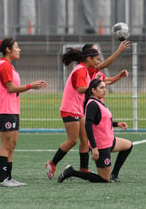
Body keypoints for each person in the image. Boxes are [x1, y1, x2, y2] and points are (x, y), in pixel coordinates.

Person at [46, 41, 130, 180]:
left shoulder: (89, 69)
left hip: (79, 109)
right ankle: (52, 163)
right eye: (97, 58)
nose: (99, 61)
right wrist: (119, 50)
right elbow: (80, 89)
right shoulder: (80, 70)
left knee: (85, 140)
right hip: (69, 109)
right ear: (89, 58)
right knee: (73, 140)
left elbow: (104, 81)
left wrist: (118, 77)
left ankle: (84, 168)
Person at [0, 38, 47, 187]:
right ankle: (3, 179)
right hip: (5, 110)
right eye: (16, 47)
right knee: (6, 144)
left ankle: (9, 177)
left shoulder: (9, 66)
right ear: (8, 50)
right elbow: (10, 88)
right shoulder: (4, 65)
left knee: (12, 144)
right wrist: (31, 86)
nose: (19, 49)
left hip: (12, 109)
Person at [57, 78, 133, 183]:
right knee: (103, 179)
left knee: (128, 145)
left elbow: (102, 120)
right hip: (101, 144)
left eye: (105, 88)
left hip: (110, 140)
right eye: (101, 88)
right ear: (93, 90)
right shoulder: (92, 104)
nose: (104, 90)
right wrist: (94, 147)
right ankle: (71, 172)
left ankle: (114, 175)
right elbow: (88, 126)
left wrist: (116, 124)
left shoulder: (99, 102)